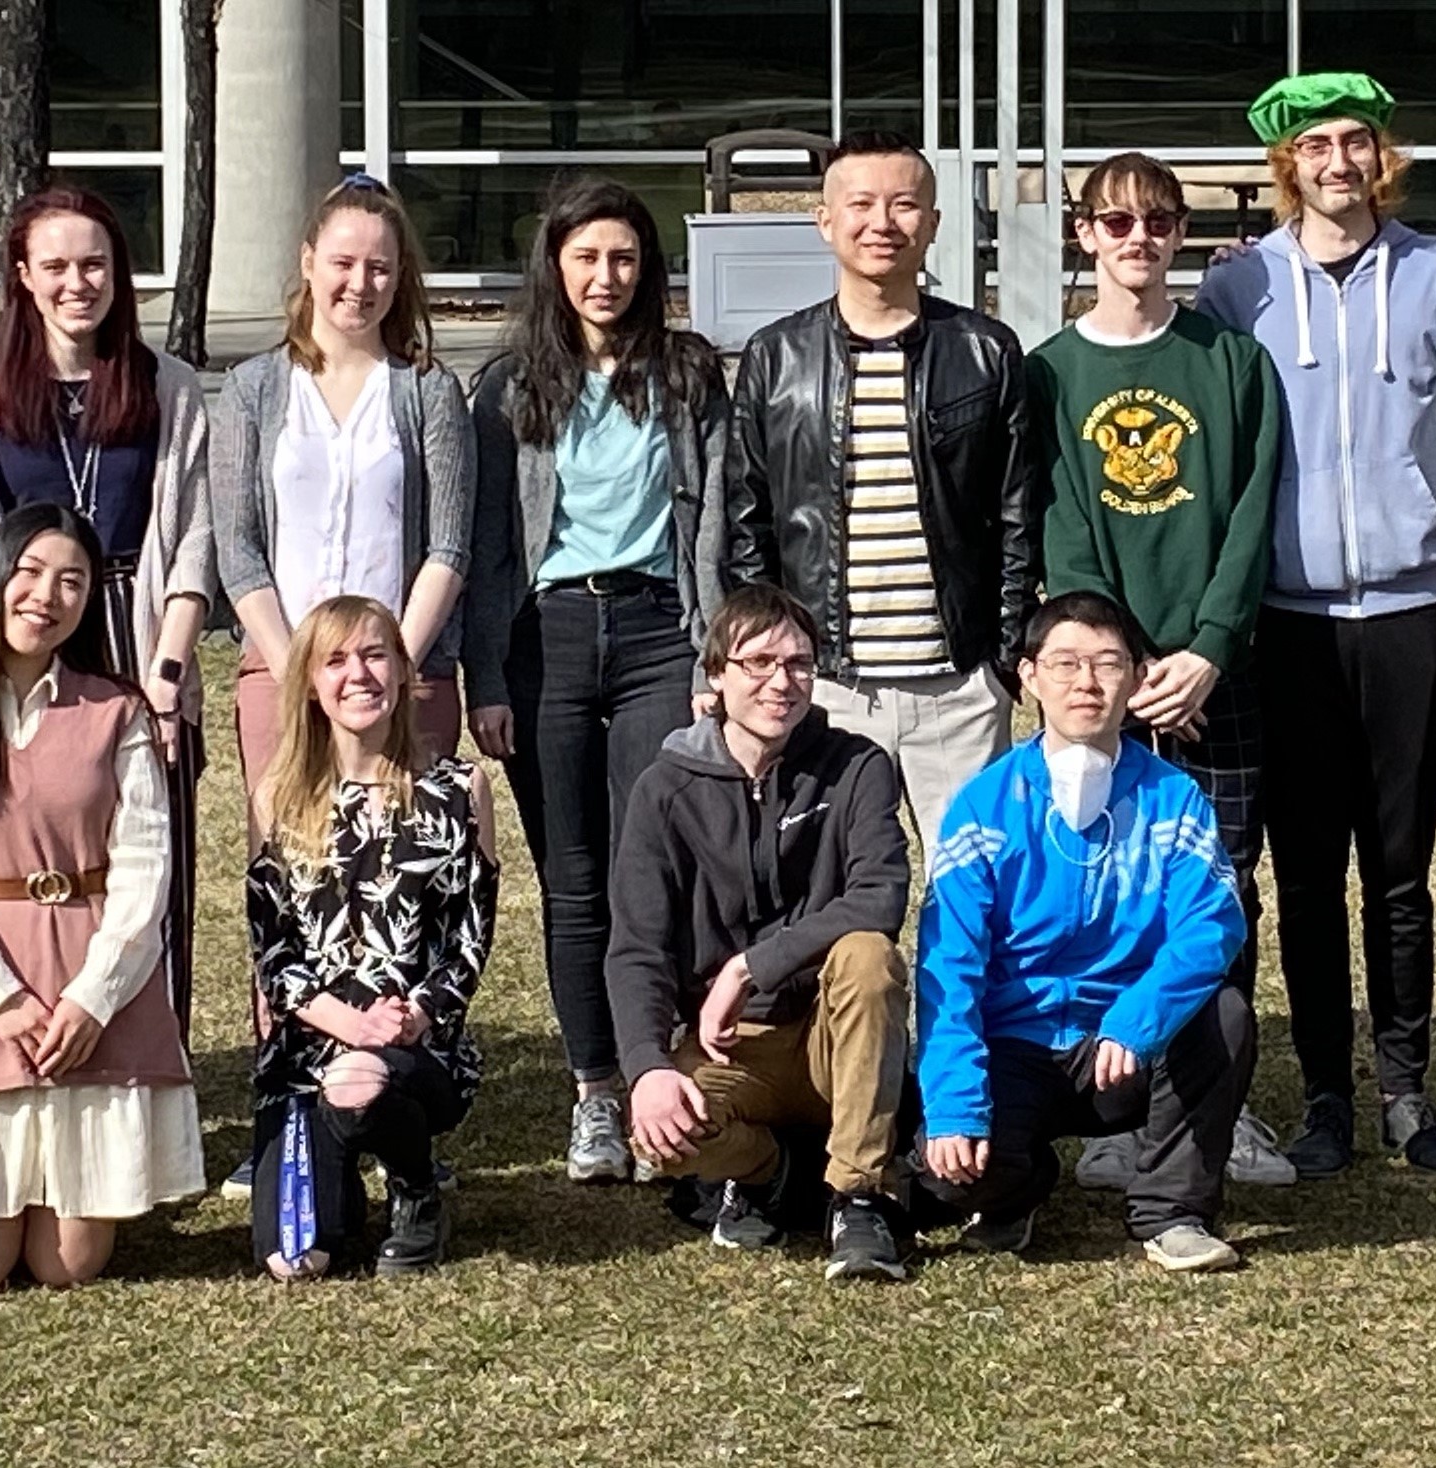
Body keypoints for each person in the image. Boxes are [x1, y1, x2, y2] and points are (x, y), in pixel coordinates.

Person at [1194, 72, 1436, 1177]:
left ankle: (1405, 1088)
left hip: (1411, 611)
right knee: (1309, 871)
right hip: (1288, 621)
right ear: (1288, 164)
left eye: (1355, 141)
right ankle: (1326, 1093)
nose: (1337, 162)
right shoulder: (1239, 287)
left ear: (1382, 156)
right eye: (1315, 145)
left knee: (1400, 868)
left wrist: (1429, 508)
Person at [1034, 151, 1297, 1193]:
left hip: (1213, 679)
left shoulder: (1231, 363)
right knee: (1104, 886)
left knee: (1218, 886)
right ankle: (1116, 1106)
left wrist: (1207, 649)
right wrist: (1125, 663)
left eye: (1156, 221)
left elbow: (1251, 515)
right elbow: (1064, 526)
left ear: (1180, 234)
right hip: (1100, 685)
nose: (1136, 238)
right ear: (1084, 235)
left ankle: (1220, 1105)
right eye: (1116, 221)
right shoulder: (1051, 372)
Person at [462, 177, 733, 1186]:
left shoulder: (688, 375)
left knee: (650, 867)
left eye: (622, 258)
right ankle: (594, 1092)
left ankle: (657, 1071)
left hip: (661, 629)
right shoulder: (507, 388)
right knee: (572, 879)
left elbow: (713, 518)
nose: (605, 276)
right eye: (585, 258)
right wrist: (486, 675)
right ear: (555, 266)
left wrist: (711, 650)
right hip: (551, 636)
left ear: (647, 268)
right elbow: (490, 543)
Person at [0, 505, 203, 1293]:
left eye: (72, 581)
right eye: (31, 572)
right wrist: (2, 997)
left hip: (89, 978)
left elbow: (145, 867)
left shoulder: (116, 710)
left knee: (68, 1264)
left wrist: (93, 998)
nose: (47, 596)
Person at [0, 185, 215, 1041]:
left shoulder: (168, 387)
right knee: (43, 854)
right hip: (24, 641)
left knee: (150, 863)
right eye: (54, 265)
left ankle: (154, 1053)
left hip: (137, 631)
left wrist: (166, 679)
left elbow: (194, 539)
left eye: (94, 263)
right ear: (23, 275)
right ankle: (44, 1039)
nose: (76, 282)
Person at [910, 590, 1254, 1275]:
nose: (1087, 682)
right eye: (1064, 663)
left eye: (1108, 663)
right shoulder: (983, 805)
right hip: (1015, 1047)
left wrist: (1137, 1020)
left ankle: (1171, 1211)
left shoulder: (1174, 798)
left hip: (1123, 1049)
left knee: (1226, 1016)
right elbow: (949, 965)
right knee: (946, 1177)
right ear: (1030, 676)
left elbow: (1212, 923)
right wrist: (954, 1106)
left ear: (1137, 677)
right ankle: (1017, 1189)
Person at [723, 129, 1043, 836]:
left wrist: (1002, 657)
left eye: (904, 204)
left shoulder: (986, 351)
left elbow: (1019, 514)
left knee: (971, 883)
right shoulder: (776, 356)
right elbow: (748, 522)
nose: (882, 223)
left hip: (958, 685)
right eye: (861, 204)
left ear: (933, 222)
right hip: (825, 684)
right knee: (822, 883)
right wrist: (773, 657)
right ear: (825, 220)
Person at [608, 586, 916, 1283]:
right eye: (759, 663)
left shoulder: (856, 766)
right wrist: (648, 1068)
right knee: (662, 1135)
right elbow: (636, 950)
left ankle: (857, 1197)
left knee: (868, 955)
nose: (782, 681)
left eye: (800, 663)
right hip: (730, 1048)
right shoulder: (664, 789)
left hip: (830, 1033)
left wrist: (749, 966)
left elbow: (881, 895)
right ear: (716, 674)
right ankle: (770, 1175)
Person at [242, 596, 499, 1280]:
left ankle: (415, 1189)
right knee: (296, 1258)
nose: (358, 674)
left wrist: (413, 1015)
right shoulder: (276, 798)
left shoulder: (460, 789)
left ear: (403, 671)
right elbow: (275, 955)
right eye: (335, 661)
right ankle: (342, 1186)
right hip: (309, 1053)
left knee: (359, 1081)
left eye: (374, 654)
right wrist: (352, 1025)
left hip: (416, 1046)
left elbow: (469, 941)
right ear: (310, 685)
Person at [211, 176, 475, 782]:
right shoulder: (253, 389)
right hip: (282, 671)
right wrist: (293, 670)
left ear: (399, 277)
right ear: (309, 262)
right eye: (343, 263)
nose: (360, 284)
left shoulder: (430, 391)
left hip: (406, 679)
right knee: (286, 840)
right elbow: (238, 547)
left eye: (379, 268)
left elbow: (449, 547)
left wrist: (393, 665)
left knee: (403, 840)